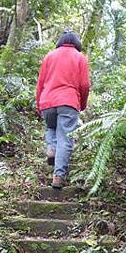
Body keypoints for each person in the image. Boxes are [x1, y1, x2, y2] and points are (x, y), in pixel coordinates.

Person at [36, 29, 90, 189]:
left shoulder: (49, 56)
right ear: (77, 43)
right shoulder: (80, 58)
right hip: (68, 101)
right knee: (66, 138)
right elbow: (84, 85)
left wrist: (39, 104)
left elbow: (40, 83)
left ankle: (51, 149)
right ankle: (58, 176)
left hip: (47, 100)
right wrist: (82, 104)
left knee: (51, 127)